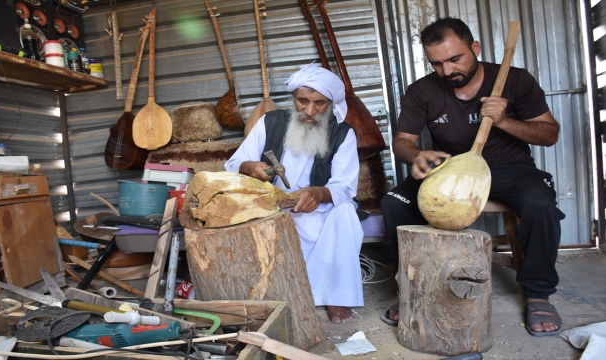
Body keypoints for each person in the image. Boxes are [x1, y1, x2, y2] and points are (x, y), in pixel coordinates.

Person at [380, 17, 565, 336]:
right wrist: (417, 155)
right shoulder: (422, 90)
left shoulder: (515, 80)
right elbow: (402, 141)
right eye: (437, 63)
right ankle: (411, 289)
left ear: (474, 47)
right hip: (449, 167)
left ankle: (537, 292)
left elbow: (549, 134)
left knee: (541, 204)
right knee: (394, 203)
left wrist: (505, 120)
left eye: (455, 59)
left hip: (509, 168)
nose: (447, 70)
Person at [225, 63, 364, 324]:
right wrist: (250, 166)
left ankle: (335, 296)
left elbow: (345, 186)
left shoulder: (342, 134)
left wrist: (318, 193)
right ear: (293, 99)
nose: (310, 111)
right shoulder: (271, 122)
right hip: (270, 206)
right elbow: (233, 163)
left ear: (330, 103)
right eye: (303, 101)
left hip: (315, 210)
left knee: (345, 212)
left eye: (319, 103)